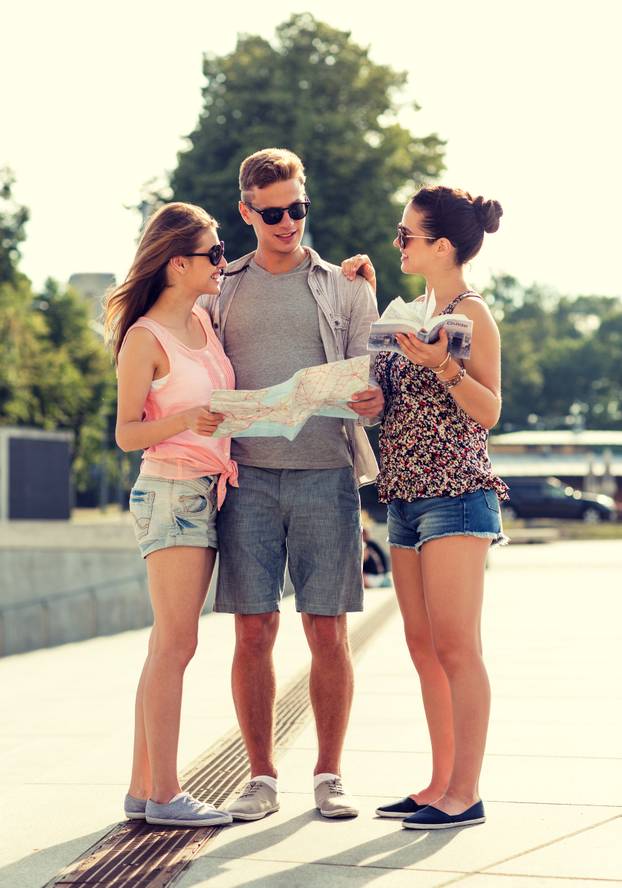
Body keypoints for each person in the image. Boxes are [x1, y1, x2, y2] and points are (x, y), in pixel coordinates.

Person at [199, 148, 383, 821]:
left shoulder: (347, 287)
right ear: (245, 212)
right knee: (253, 630)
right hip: (244, 478)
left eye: (297, 209)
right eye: (272, 213)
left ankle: (330, 775)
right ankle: (260, 778)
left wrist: (373, 401)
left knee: (327, 630)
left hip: (327, 474)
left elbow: (373, 378)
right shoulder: (220, 289)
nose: (287, 223)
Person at [357, 185, 508, 830]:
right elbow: (403, 406)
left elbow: (490, 411)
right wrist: (374, 402)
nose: (398, 243)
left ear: (442, 246)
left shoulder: (472, 316)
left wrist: (445, 365)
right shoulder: (413, 312)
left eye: (407, 235)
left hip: (456, 494)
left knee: (456, 647)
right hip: (405, 497)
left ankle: (465, 792)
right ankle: (440, 782)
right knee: (422, 645)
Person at [104, 202, 237, 828]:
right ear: (178, 264)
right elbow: (126, 433)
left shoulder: (203, 319)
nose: (222, 261)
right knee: (176, 645)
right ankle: (165, 793)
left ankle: (142, 789)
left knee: (167, 644)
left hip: (206, 489)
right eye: (214, 253)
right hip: (171, 493)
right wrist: (185, 419)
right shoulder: (144, 339)